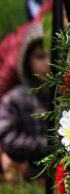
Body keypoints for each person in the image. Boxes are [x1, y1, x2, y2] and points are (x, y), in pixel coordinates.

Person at [0, 22, 49, 182]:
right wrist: (45, 144)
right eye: (40, 56)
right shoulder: (14, 100)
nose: (47, 63)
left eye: (52, 54)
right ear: (27, 60)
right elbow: (7, 136)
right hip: (24, 176)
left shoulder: (65, 97)